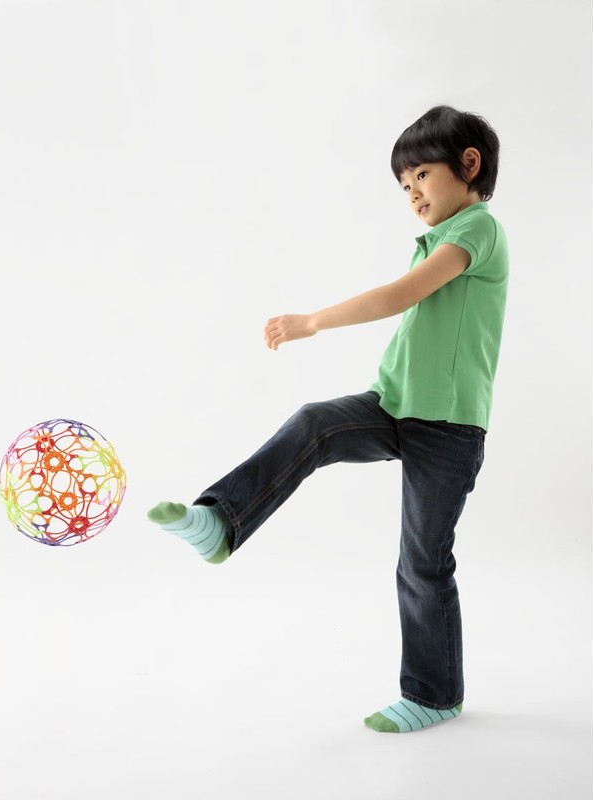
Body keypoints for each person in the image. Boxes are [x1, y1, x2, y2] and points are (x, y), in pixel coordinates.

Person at [148, 105, 509, 734]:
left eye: (421, 175)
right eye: (404, 185)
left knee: (422, 560)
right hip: (394, 404)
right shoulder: (442, 238)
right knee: (314, 422)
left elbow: (400, 296)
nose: (412, 193)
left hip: (448, 427)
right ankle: (223, 521)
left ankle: (435, 695)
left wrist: (311, 321)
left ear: (469, 165)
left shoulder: (478, 229)